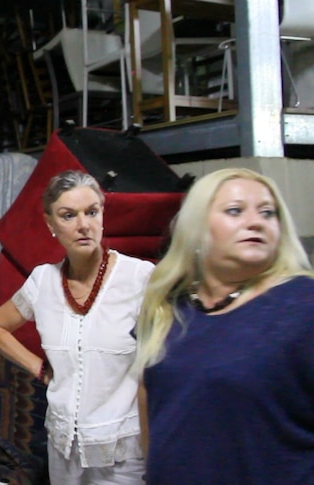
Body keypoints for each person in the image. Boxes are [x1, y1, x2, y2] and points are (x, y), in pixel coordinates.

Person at [133, 168, 314, 484]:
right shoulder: (168, 308)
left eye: (268, 213)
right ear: (197, 229)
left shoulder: (302, 304)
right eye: (235, 211)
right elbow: (153, 401)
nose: (256, 222)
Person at [0, 170, 152, 485]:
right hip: (62, 448)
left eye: (91, 212)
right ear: (50, 224)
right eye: (68, 216)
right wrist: (40, 368)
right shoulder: (42, 281)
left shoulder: (141, 278)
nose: (83, 225)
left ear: (103, 215)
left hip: (122, 452)